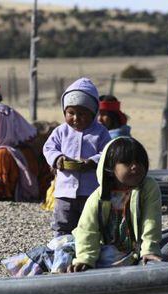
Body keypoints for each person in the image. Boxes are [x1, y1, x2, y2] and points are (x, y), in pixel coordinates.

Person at [68, 137, 161, 272]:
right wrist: (85, 259)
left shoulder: (148, 187)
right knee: (65, 249)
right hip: (107, 247)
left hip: (138, 247)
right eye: (127, 163)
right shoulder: (99, 197)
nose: (135, 166)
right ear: (111, 167)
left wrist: (149, 250)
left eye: (139, 162)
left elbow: (151, 221)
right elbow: (88, 229)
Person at [43, 77, 111, 237]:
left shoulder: (100, 132)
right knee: (63, 222)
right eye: (71, 113)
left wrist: (93, 161)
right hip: (65, 190)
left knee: (89, 223)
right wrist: (57, 158)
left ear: (93, 113)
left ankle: (88, 250)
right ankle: (62, 249)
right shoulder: (61, 131)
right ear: (64, 111)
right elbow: (49, 148)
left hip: (90, 191)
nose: (75, 118)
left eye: (82, 113)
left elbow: (108, 152)